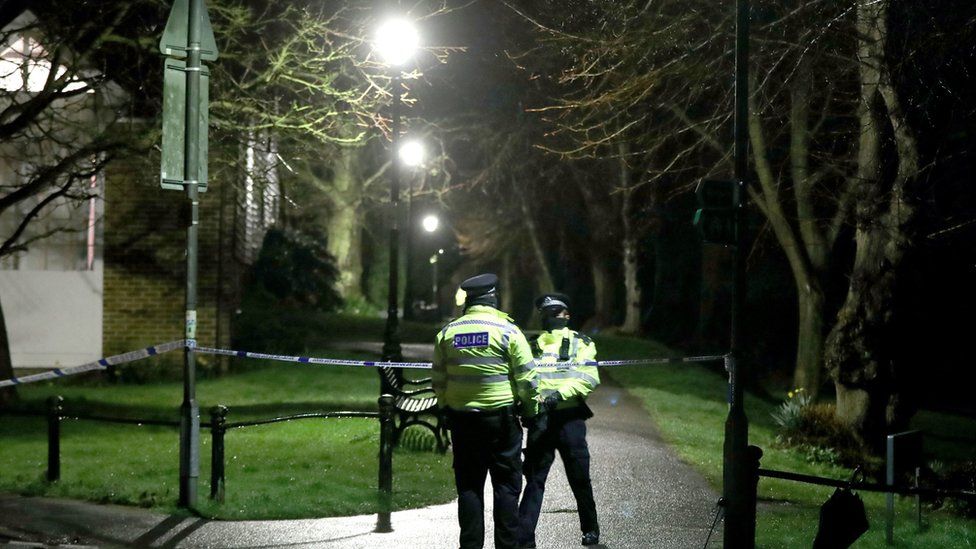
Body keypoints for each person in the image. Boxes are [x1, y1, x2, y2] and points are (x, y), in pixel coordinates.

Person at [433, 273, 543, 549]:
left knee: (469, 487)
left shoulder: (448, 333)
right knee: (506, 487)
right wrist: (531, 410)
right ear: (493, 299)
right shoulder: (508, 331)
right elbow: (528, 379)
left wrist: (446, 408)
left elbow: (439, 380)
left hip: (463, 422)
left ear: (468, 301)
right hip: (501, 423)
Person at [518, 293, 601, 548]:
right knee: (534, 479)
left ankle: (590, 529)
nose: (552, 318)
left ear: (567, 315)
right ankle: (524, 535)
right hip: (541, 418)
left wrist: (558, 395)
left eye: (557, 313)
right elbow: (524, 378)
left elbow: (589, 378)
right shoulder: (531, 345)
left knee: (579, 477)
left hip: (569, 418)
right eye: (548, 313)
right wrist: (530, 404)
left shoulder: (581, 343)